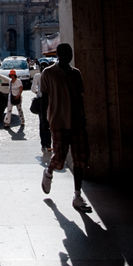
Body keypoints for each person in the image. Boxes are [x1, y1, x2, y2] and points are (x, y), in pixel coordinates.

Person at [40, 43, 91, 212]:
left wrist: (83, 119)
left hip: (76, 121)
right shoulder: (48, 73)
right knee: (60, 158)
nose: (68, 56)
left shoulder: (76, 74)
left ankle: (77, 195)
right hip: (58, 120)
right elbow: (44, 98)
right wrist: (44, 121)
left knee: (79, 159)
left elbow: (80, 99)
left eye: (69, 53)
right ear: (58, 55)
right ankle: (49, 171)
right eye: (65, 53)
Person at [32, 61, 52, 152]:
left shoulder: (37, 76)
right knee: (49, 122)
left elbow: (33, 88)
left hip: (40, 101)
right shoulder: (50, 75)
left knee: (42, 122)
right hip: (49, 100)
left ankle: (44, 143)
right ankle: (48, 144)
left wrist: (38, 93)